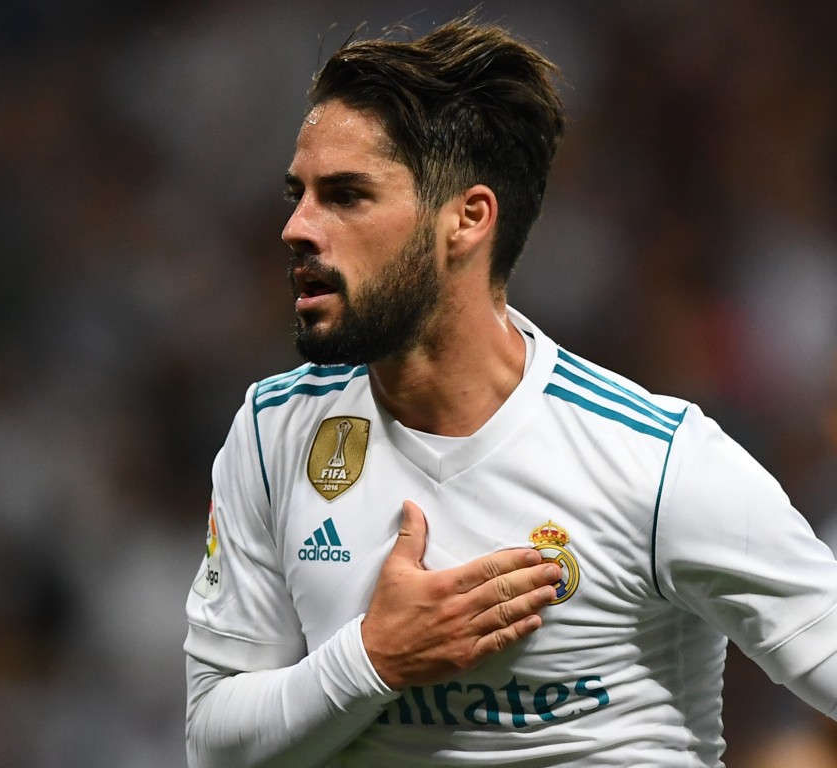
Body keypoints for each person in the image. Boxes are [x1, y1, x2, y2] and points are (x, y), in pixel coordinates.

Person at [183, 13, 837, 767]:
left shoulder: (656, 463)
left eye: (347, 195)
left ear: (467, 219)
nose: (298, 226)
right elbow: (215, 746)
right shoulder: (274, 435)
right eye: (297, 194)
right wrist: (372, 660)